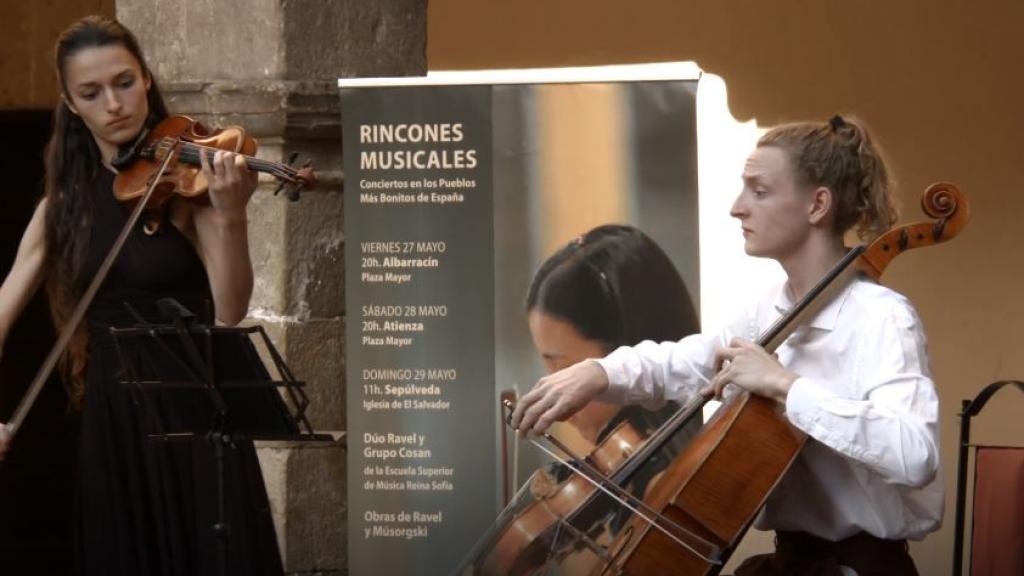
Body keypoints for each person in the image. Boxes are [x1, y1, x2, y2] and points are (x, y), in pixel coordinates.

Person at [511, 115, 942, 575]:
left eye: (759, 191)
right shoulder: (766, 314)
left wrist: (786, 386)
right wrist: (598, 373)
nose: (738, 207)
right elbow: (681, 362)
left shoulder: (882, 318)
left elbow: (915, 454)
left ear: (818, 205)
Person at [0, 15, 283, 576]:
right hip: (115, 419)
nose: (114, 103)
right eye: (92, 92)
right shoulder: (63, 204)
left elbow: (229, 311)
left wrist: (230, 217)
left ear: (146, 80)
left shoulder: (185, 185)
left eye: (125, 82)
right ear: (70, 103)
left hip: (194, 405)